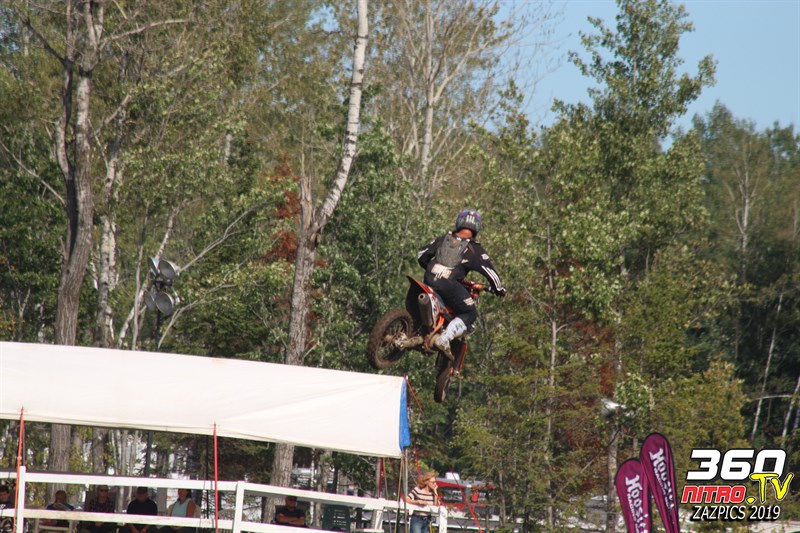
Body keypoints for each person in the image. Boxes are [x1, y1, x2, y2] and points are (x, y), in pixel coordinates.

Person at [417, 209, 506, 358]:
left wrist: (431, 269)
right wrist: (498, 288)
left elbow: (421, 255)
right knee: (470, 313)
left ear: (459, 222)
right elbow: (490, 272)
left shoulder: (443, 238)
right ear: (477, 227)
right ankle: (444, 339)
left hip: (428, 279)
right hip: (448, 285)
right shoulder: (474, 249)